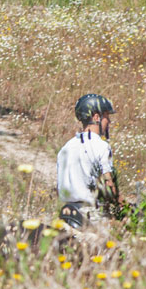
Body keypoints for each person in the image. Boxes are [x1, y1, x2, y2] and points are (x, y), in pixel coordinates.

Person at [56, 93, 122, 224]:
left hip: (66, 213)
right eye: (106, 117)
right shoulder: (102, 146)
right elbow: (108, 185)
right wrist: (121, 204)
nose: (108, 122)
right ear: (96, 117)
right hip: (91, 215)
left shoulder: (65, 148)